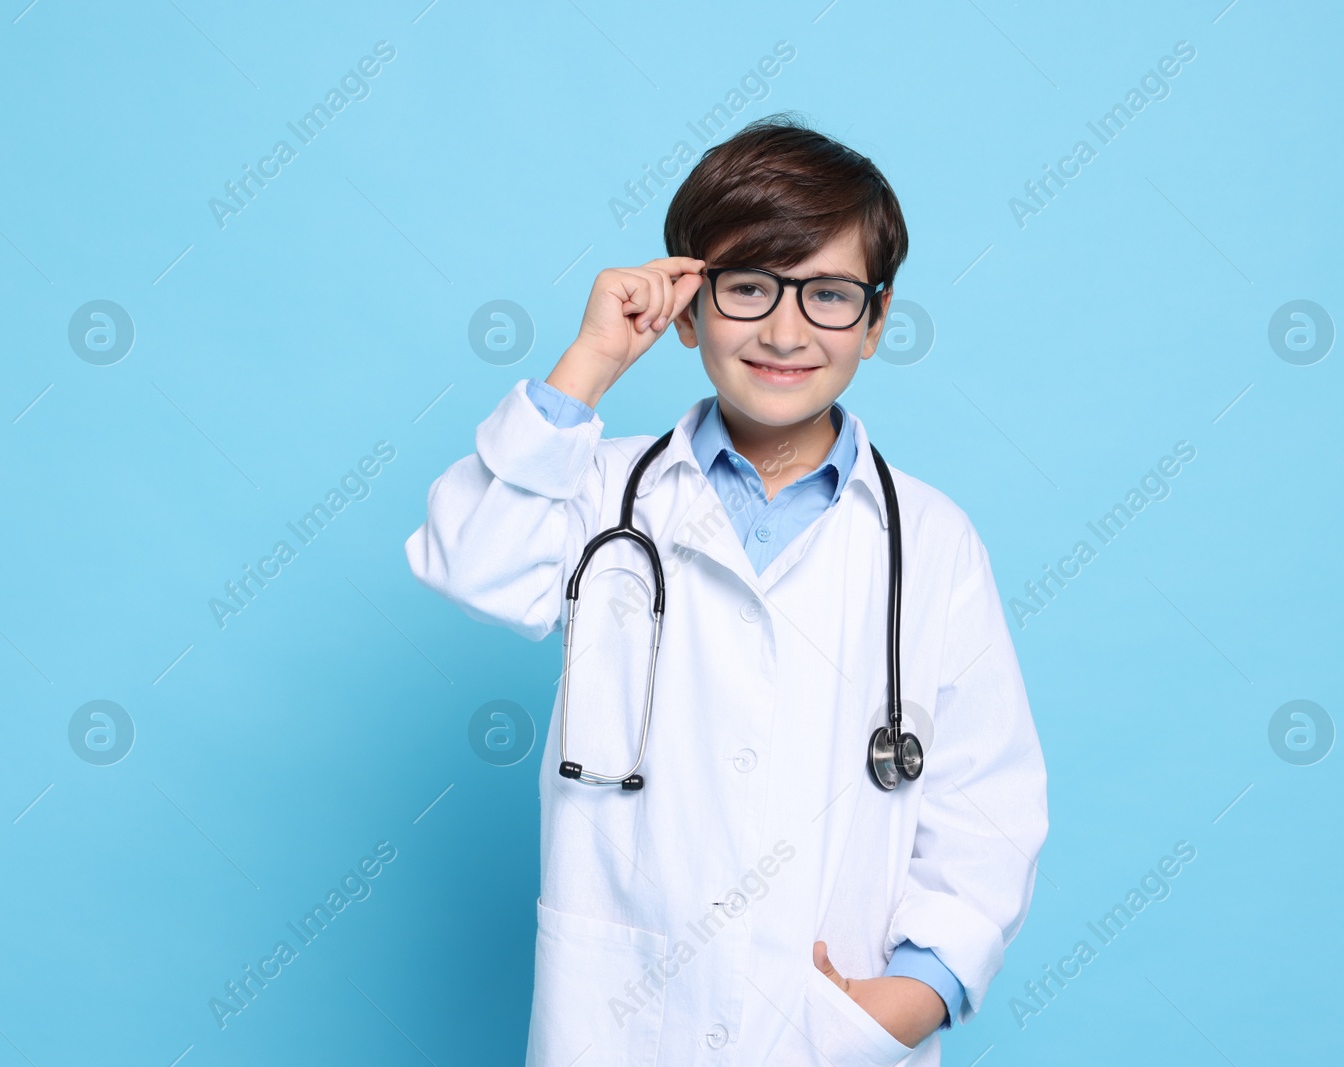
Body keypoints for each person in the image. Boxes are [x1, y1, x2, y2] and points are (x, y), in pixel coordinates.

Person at [405, 114, 1048, 1066]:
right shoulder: (598, 490)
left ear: (875, 323)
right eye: (748, 286)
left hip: (828, 1035)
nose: (786, 331)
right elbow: (475, 563)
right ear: (688, 308)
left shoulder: (932, 541)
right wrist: (587, 367)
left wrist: (908, 1001)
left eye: (828, 295)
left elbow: (987, 805)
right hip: (618, 1024)